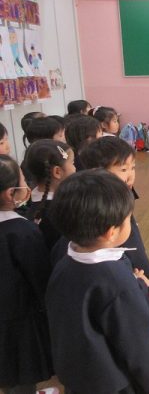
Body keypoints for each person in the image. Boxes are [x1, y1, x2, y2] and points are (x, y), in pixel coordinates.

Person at [46, 170, 149, 394]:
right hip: (116, 386)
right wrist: (135, 287)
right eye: (128, 219)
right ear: (111, 232)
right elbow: (143, 355)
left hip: (79, 380)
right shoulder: (117, 283)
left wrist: (135, 284)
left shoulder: (63, 263)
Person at [71, 136, 149, 321]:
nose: (131, 175)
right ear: (97, 171)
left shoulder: (87, 196)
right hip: (124, 278)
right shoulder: (112, 205)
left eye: (133, 168)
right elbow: (134, 248)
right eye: (123, 169)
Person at [0, 155, 54, 394]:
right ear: (10, 193)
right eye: (23, 180)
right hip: (18, 325)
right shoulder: (22, 231)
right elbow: (40, 278)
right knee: (20, 379)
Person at [23, 140, 76, 251]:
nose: (75, 168)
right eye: (72, 163)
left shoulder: (31, 203)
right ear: (57, 172)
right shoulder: (61, 210)